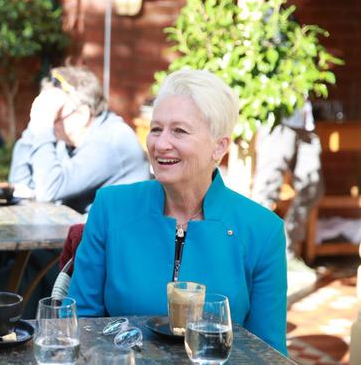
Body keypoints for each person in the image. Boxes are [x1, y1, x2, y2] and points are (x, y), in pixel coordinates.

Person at [68, 69, 288, 354]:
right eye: (156, 129)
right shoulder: (111, 207)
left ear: (219, 147)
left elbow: (268, 352)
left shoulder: (262, 230)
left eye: (179, 131)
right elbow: (78, 323)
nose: (160, 144)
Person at [9, 66, 150, 214]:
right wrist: (35, 125)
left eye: (54, 113)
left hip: (119, 235)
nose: (49, 120)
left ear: (82, 115)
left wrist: (43, 125)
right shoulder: (68, 140)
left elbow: (48, 190)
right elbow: (21, 188)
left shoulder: (111, 141)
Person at [252, 99, 323, 271]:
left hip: (306, 123)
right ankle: (258, 257)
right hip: (278, 118)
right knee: (266, 192)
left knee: (313, 187)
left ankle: (287, 253)